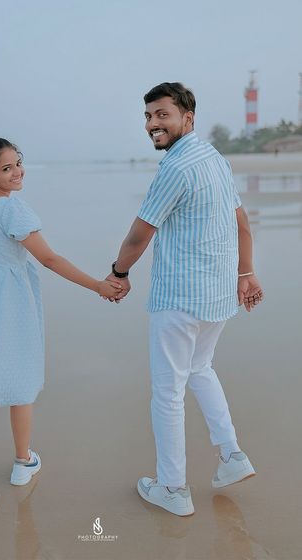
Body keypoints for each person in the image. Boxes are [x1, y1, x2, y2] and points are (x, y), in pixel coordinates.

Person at [0, 137, 122, 507]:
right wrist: (98, 285)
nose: (17, 172)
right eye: (7, 168)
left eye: (18, 163)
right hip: (9, 305)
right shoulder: (11, 209)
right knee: (22, 381)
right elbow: (49, 259)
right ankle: (23, 462)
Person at [106, 83, 264, 517]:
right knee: (200, 368)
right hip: (216, 296)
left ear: (187, 118)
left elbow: (141, 233)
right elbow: (242, 223)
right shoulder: (213, 158)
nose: (152, 124)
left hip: (179, 297)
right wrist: (245, 274)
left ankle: (173, 489)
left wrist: (118, 273)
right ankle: (232, 456)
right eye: (148, 117)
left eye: (162, 115)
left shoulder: (175, 168)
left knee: (167, 393)